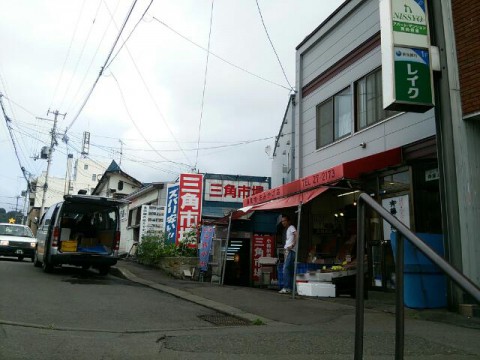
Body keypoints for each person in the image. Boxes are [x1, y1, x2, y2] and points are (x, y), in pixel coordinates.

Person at [279, 215, 297, 294]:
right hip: (288, 250)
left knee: (286, 269)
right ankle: (292, 288)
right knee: (290, 270)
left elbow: (297, 234)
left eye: (284, 221)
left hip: (290, 250)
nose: (283, 222)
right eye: (282, 221)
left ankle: (286, 287)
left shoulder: (291, 227)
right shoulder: (287, 229)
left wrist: (293, 245)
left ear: (288, 221)